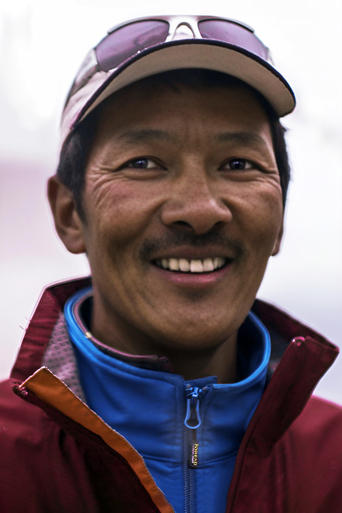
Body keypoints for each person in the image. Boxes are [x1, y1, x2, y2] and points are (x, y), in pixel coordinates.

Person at [0, 14, 341, 513]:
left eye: (238, 165)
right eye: (143, 163)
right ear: (70, 213)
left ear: (281, 214)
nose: (200, 211)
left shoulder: (333, 463)